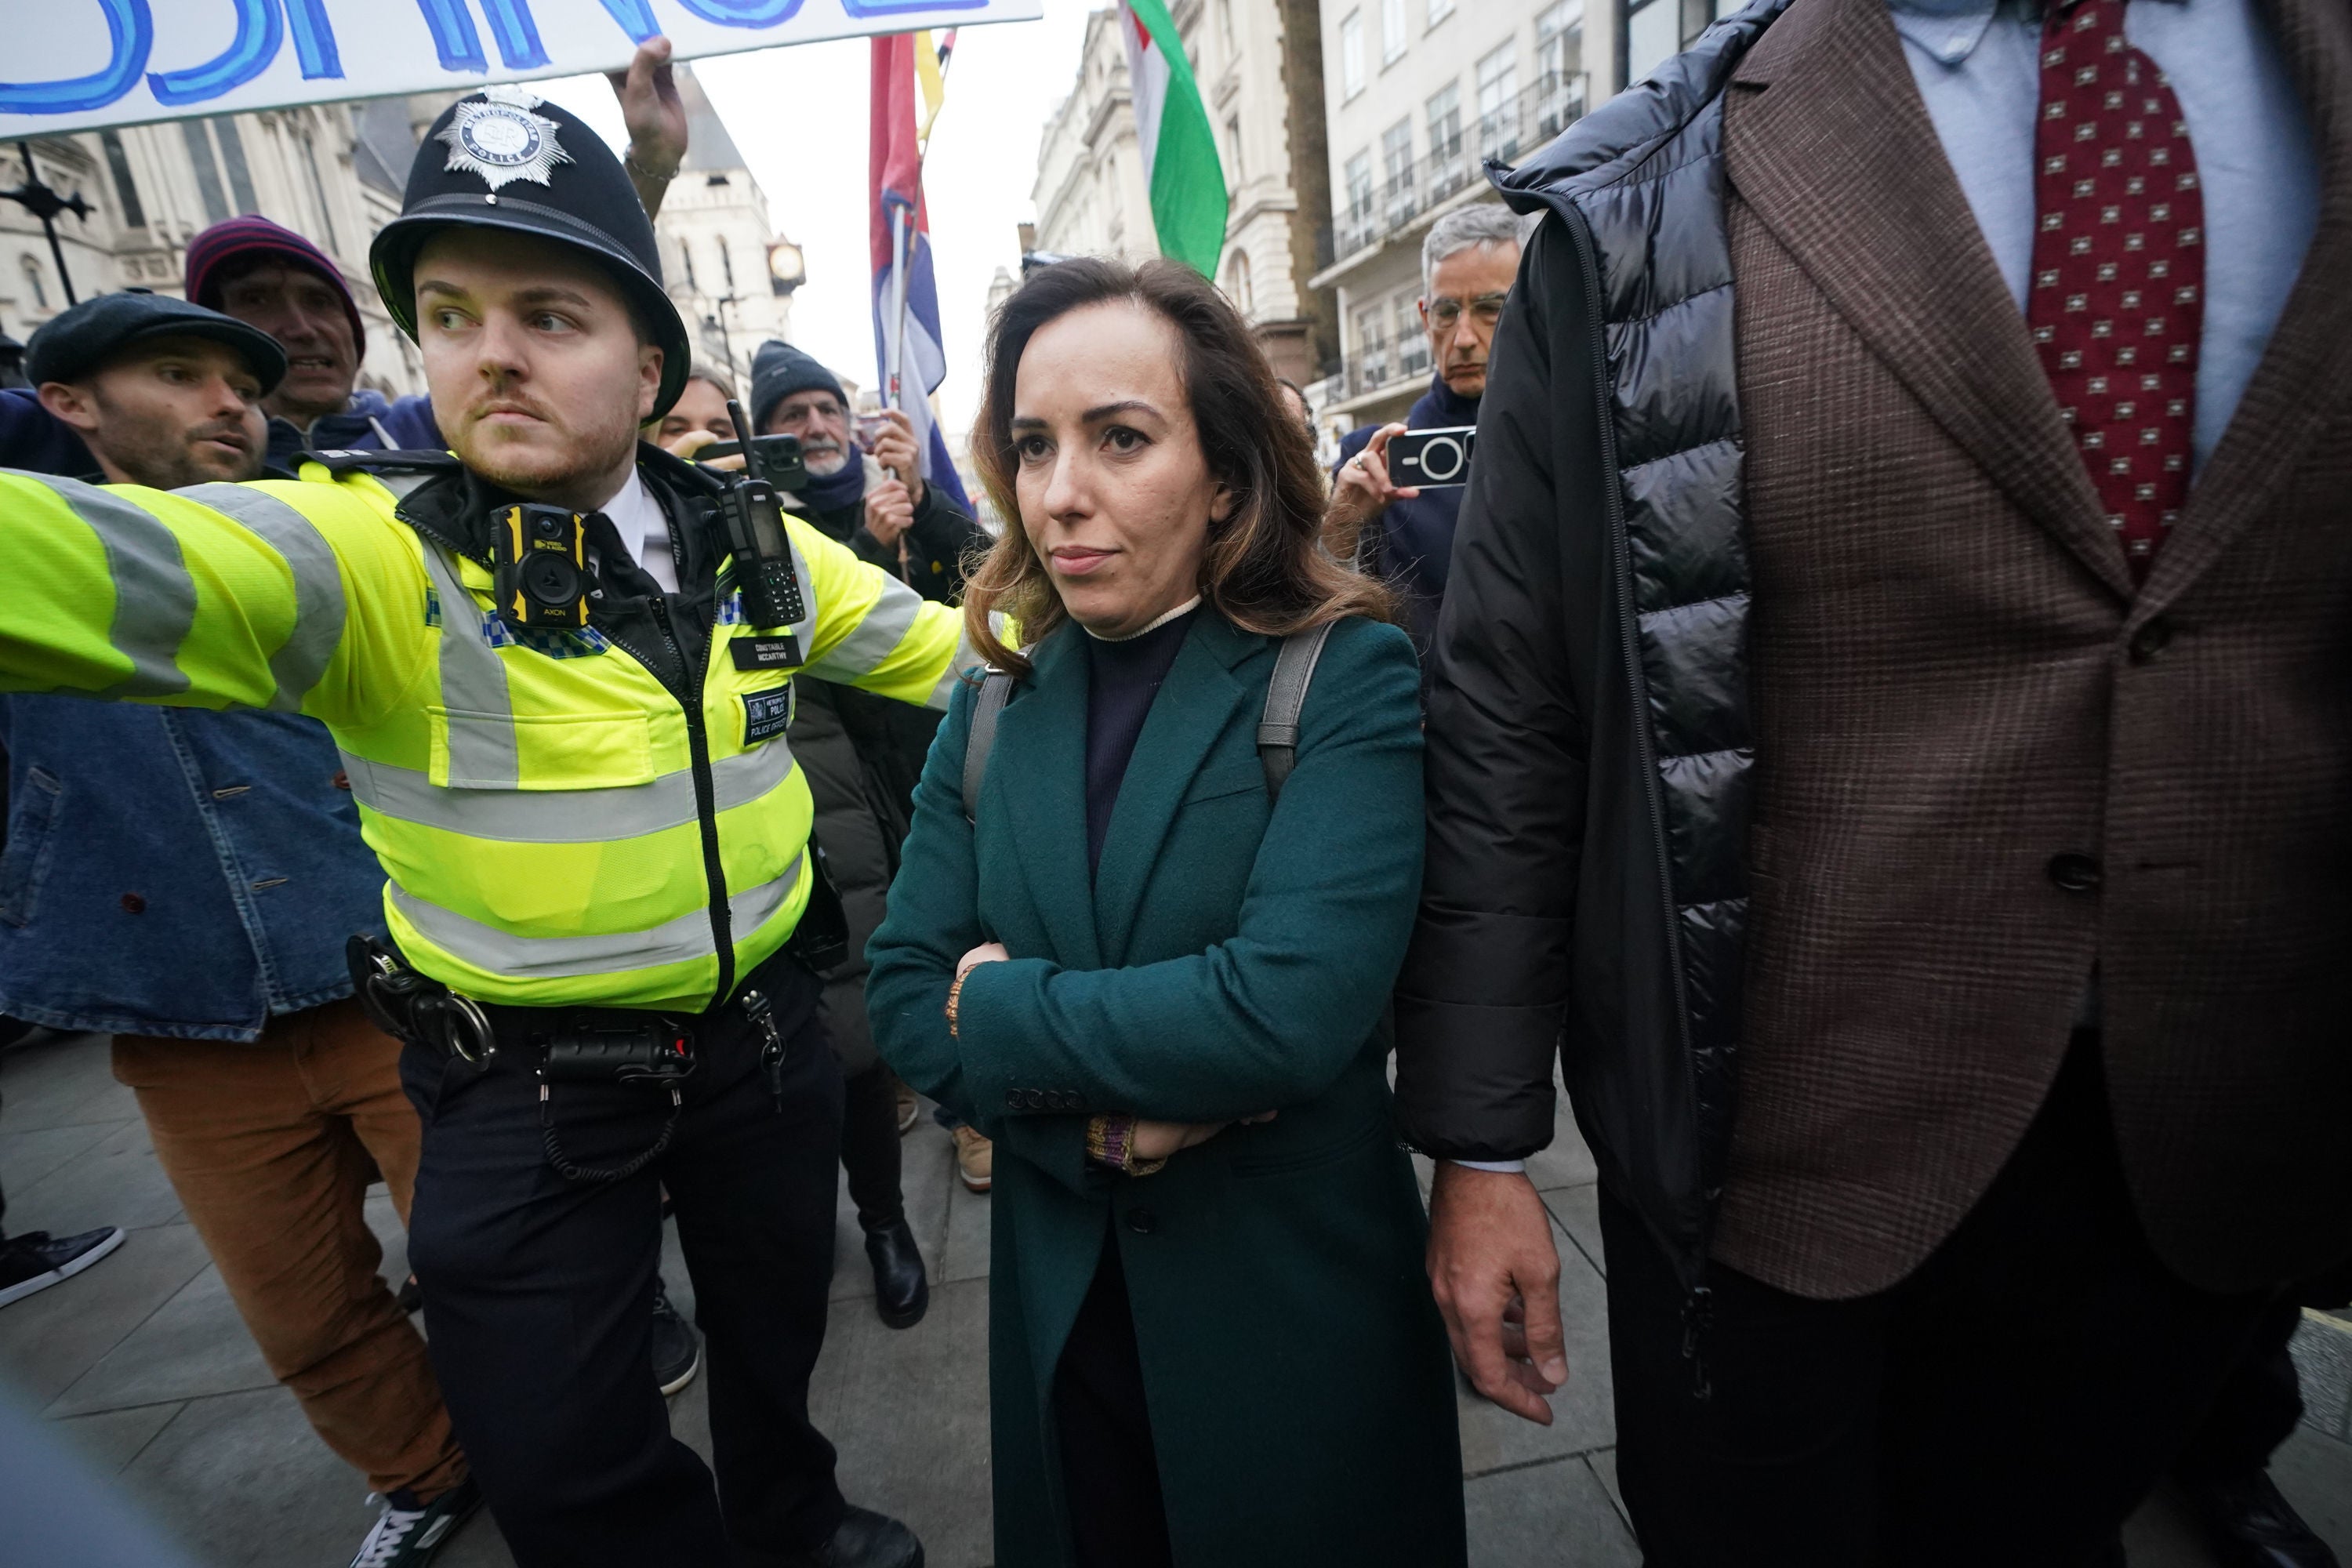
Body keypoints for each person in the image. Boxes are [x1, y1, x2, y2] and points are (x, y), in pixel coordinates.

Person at [1396, 0, 2344, 1561]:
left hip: (2203, 1142)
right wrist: (1484, 1145)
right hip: (1770, 1163)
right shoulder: (1644, 194)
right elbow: (1517, 703)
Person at [0, 83, 960, 1568]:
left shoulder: (762, 547)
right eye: (449, 314)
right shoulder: (362, 559)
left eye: (550, 316)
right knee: (562, 1459)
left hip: (763, 1049)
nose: (492, 354)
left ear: (648, 368)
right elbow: (54, 560)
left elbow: (960, 655)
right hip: (526, 1095)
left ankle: (797, 1519)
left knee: (778, 1345)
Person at [867, 256, 1465, 1568]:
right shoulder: (993, 700)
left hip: (1289, 1320)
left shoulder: (1339, 674)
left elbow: (1286, 1008)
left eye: (1120, 438)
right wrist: (1111, 1115)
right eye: (1033, 446)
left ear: (1228, 480)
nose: (1062, 491)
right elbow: (906, 987)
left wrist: (1007, 1012)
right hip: (1065, 1318)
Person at [0, 289, 481, 1566]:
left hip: (395, 989)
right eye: (180, 373)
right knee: (301, 1312)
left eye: (242, 383)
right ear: (65, 404)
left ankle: (549, 1450)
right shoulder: (32, 564)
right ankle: (426, 1471)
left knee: (498, 1260)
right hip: (180, 1016)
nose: (229, 403)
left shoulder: (320, 538)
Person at [662, 354, 979, 1329]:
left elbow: (944, 636)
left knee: (853, 1046)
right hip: (689, 916)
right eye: (681, 431)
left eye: (726, 430)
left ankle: (885, 1221)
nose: (713, 450)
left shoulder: (796, 543)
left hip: (856, 818)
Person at [179, 36, 687, 473]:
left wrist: (652, 165)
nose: (302, 327)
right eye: (257, 300)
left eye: (319, 301)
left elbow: (580, 269)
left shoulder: (432, 431)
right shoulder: (198, 469)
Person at [746, 340, 1003, 1197]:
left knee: (961, 925)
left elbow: (986, 578)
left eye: (827, 409)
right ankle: (889, 1076)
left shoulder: (898, 491)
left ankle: (971, 1106)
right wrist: (863, 540)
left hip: (934, 758)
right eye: (793, 416)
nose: (816, 427)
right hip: (842, 792)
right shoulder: (755, 528)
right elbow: (808, 648)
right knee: (875, 946)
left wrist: (923, 503)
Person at [1323, 203, 1526, 652]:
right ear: (1424, 317)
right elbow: (1324, 618)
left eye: (1491, 308)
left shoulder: (1565, 438)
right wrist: (1339, 534)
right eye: (1446, 312)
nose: (1465, 337)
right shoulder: (1375, 459)